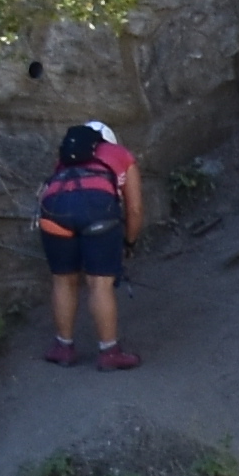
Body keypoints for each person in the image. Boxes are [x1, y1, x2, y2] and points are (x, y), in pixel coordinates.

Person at [31, 121, 141, 368]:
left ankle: (63, 347)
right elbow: (134, 208)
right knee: (99, 283)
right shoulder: (121, 155)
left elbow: (48, 192)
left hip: (54, 212)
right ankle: (109, 352)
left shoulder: (65, 160)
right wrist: (129, 242)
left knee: (63, 279)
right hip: (97, 211)